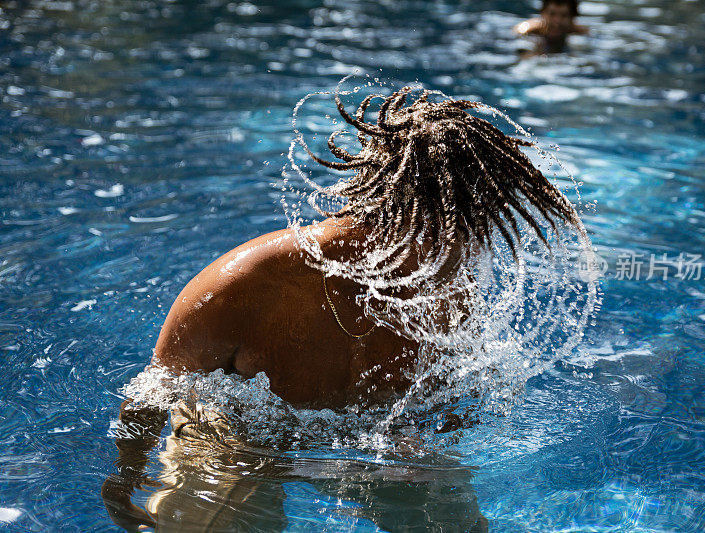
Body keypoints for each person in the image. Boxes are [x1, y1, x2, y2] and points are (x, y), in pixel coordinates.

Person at [102, 87, 582, 530]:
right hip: (234, 442)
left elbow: (453, 409)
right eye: (452, 236)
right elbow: (152, 393)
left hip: (367, 448)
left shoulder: (450, 296)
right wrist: (128, 476)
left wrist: (424, 443)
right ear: (394, 209)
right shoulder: (244, 286)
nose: (465, 257)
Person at [514, 0, 589, 54]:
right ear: (542, 14)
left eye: (564, 15)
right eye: (552, 14)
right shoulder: (528, 30)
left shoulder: (580, 33)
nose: (557, 21)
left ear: (572, 18)